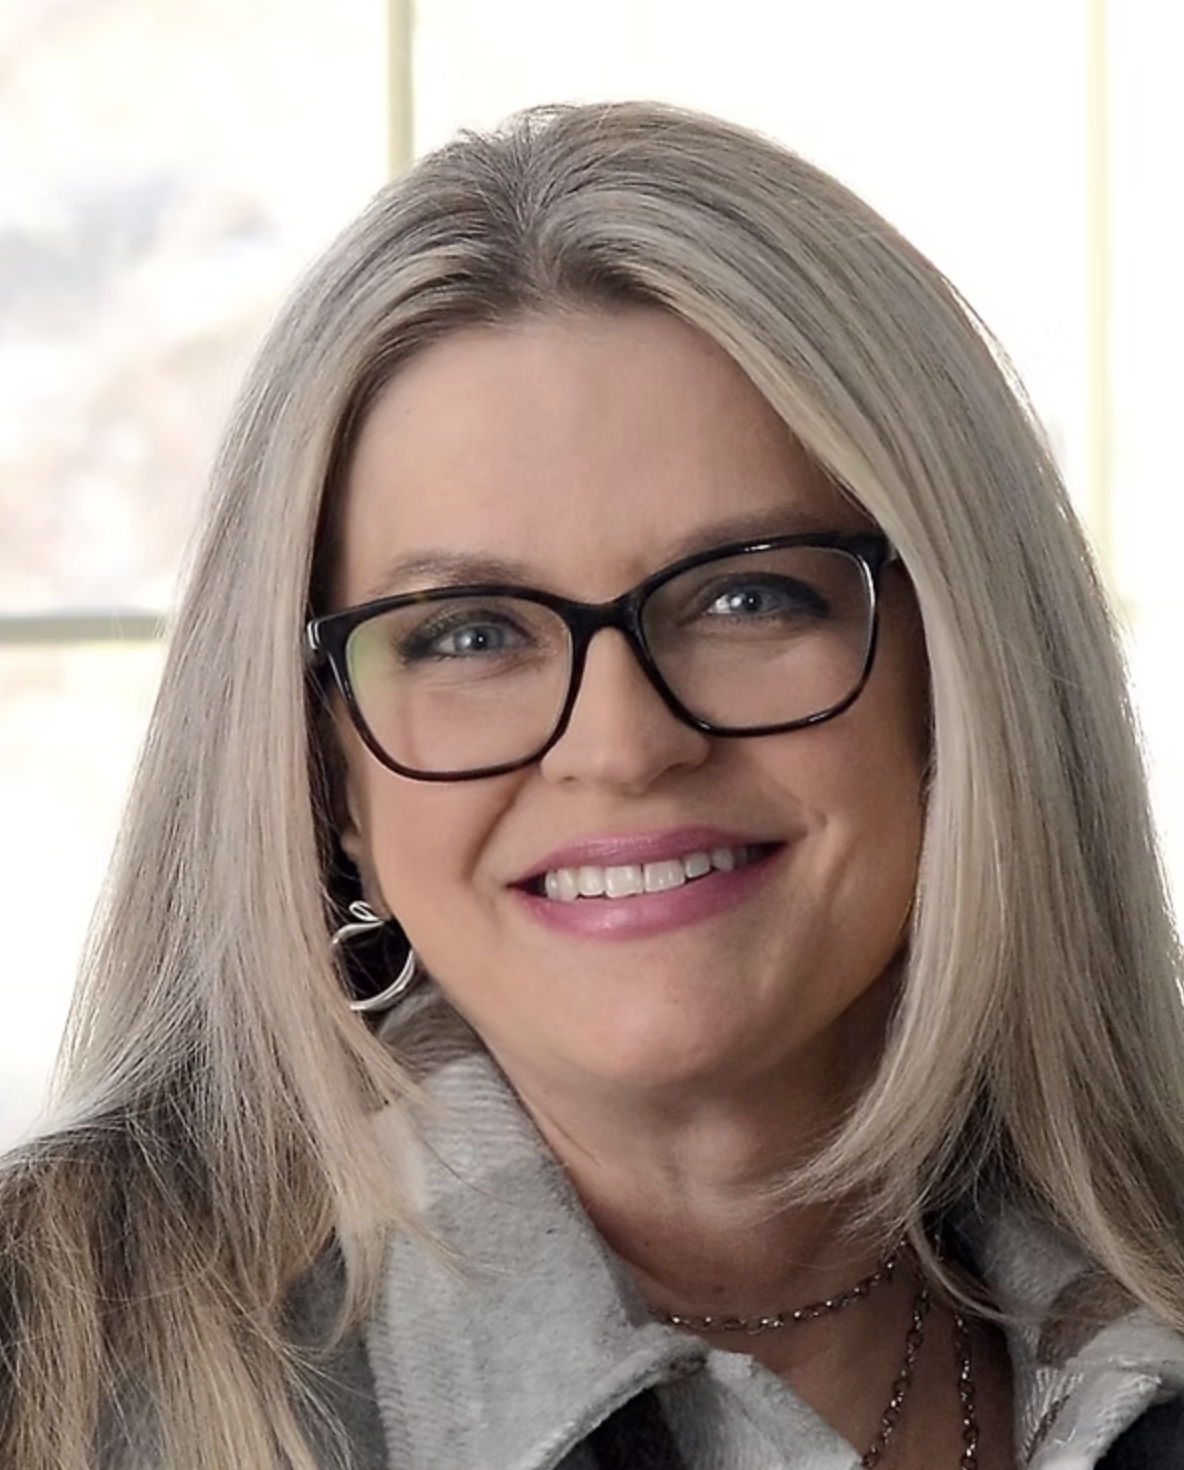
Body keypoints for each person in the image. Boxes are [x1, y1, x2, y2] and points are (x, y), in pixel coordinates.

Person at [3, 100, 1184, 1470]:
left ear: (965, 675)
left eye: (747, 596)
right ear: (321, 764)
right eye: (469, 632)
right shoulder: (54, 1381)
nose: (620, 745)